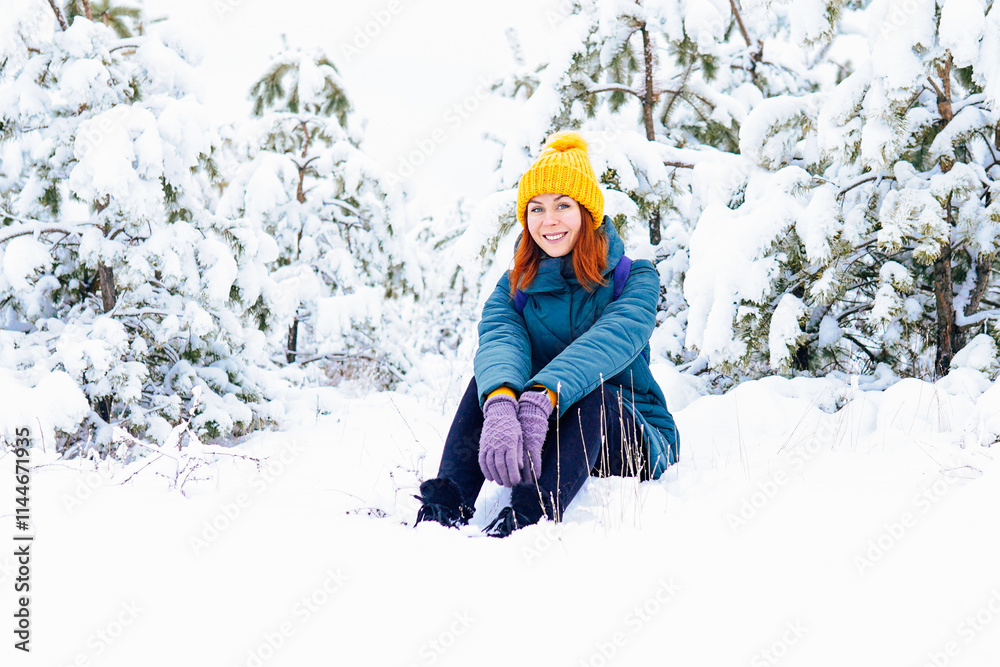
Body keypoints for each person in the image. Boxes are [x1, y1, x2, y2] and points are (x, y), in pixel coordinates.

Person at [414, 132, 680, 537]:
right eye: (536, 209)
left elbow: (609, 343)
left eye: (562, 206)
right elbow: (501, 342)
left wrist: (542, 397)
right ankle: (447, 503)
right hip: (547, 424)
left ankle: (528, 514)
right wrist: (503, 403)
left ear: (587, 213)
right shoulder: (515, 286)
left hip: (630, 435)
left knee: (594, 390)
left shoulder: (634, 278)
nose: (548, 220)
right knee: (488, 384)